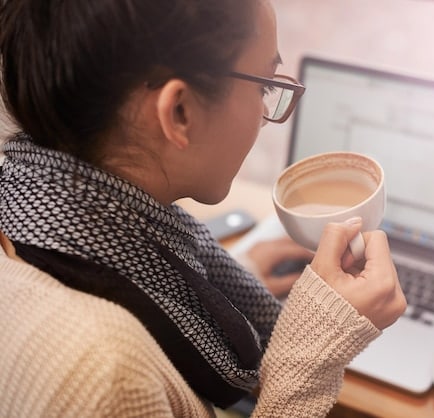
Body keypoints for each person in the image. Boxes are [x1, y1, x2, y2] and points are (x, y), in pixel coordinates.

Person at [0, 0, 406, 417]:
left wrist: (227, 280)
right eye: (264, 86)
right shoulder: (109, 376)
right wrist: (309, 360)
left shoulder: (29, 207)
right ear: (179, 112)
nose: (266, 111)